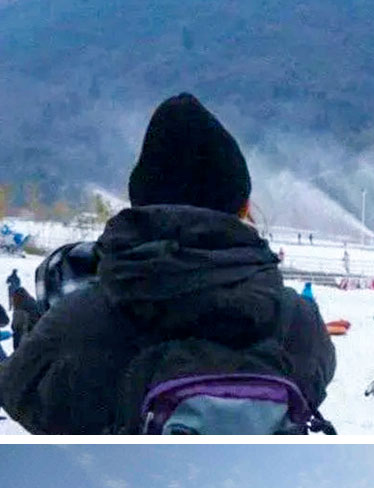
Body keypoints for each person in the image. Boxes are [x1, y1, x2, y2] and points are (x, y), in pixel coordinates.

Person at [0, 93, 335, 434]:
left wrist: (30, 331)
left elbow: (19, 393)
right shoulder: (299, 323)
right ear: (245, 207)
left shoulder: (79, 321)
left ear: (139, 206)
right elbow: (315, 384)